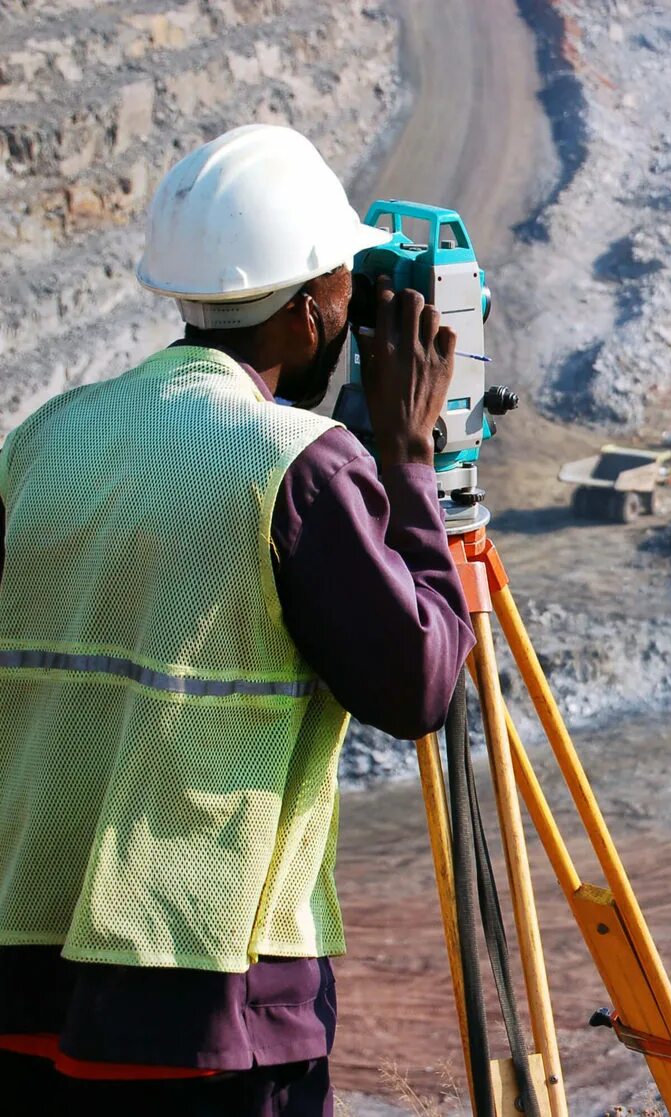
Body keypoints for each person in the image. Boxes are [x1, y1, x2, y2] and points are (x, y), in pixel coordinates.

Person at [0, 124, 475, 1116]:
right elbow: (424, 684)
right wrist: (412, 460)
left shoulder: (46, 437)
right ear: (308, 315)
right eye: (346, 289)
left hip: (26, 974)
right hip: (208, 999)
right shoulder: (297, 463)